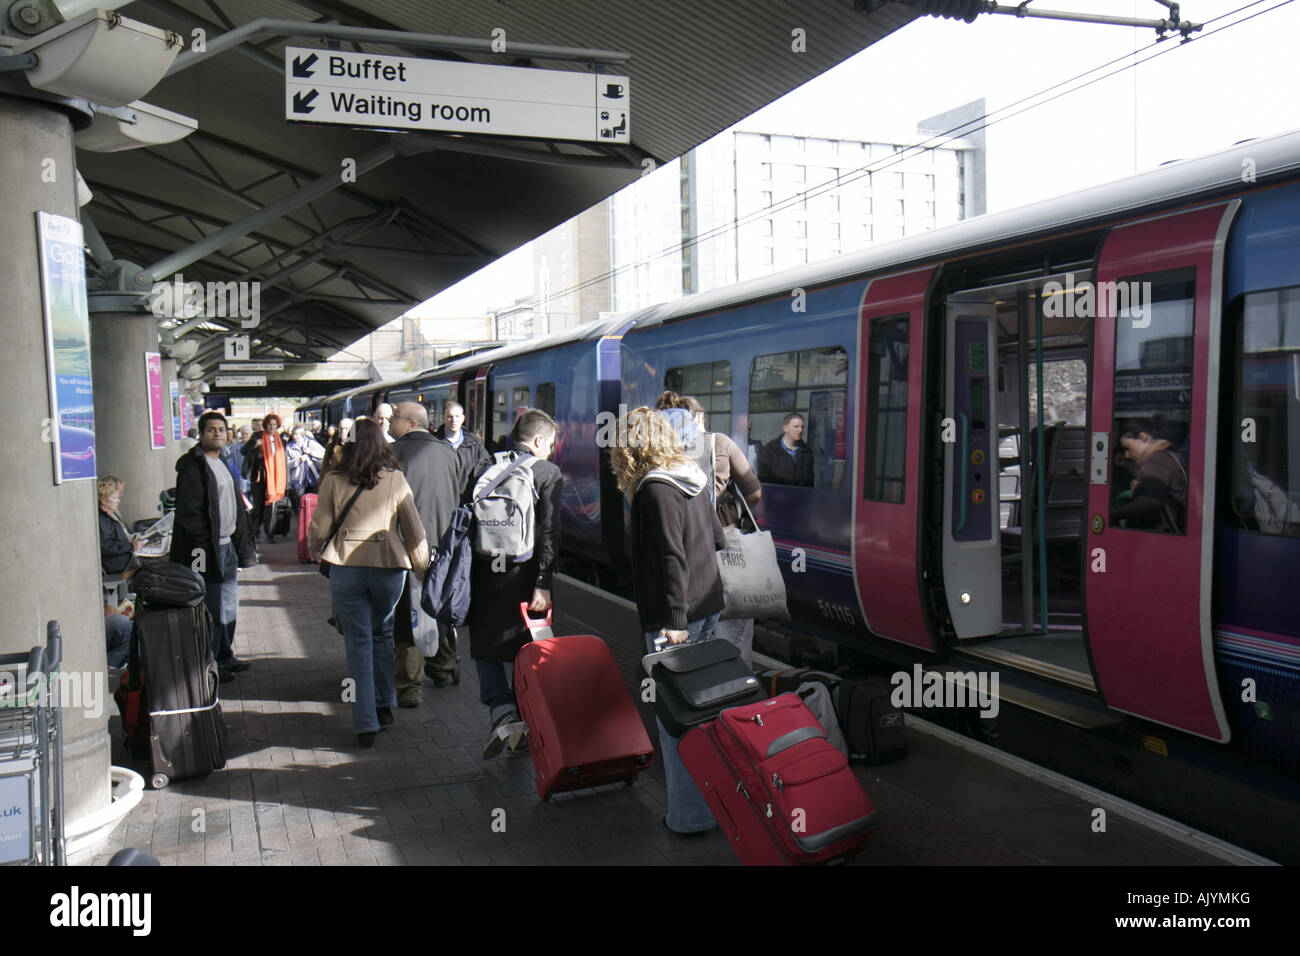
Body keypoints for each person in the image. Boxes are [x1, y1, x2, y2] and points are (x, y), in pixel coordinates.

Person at [611, 406, 725, 835]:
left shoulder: (655, 489)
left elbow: (671, 557)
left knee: (676, 721)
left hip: (676, 618)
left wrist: (674, 621)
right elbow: (716, 538)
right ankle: (717, 806)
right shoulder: (690, 477)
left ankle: (690, 817)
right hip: (708, 605)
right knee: (706, 713)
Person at [308, 418, 428, 748]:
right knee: (384, 633)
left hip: (346, 566)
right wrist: (422, 567)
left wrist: (316, 545)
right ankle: (386, 703)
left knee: (358, 643)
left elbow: (319, 529)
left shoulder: (333, 480)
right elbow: (414, 531)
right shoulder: (396, 478)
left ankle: (365, 722)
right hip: (389, 567)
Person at [467, 409, 563, 760]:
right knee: (530, 647)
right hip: (524, 576)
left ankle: (502, 711)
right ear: (538, 441)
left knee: (485, 644)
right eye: (550, 444)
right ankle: (524, 716)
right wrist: (543, 582)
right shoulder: (547, 473)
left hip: (483, 573)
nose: (551, 451)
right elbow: (551, 534)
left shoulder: (485, 467)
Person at [667, 392, 764, 669]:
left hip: (684, 547)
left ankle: (699, 691)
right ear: (699, 418)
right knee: (734, 628)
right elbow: (754, 493)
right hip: (726, 542)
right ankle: (735, 690)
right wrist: (727, 513)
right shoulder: (719, 443)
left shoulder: (666, 453)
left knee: (693, 630)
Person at [171, 411, 258, 682]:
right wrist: (200, 557)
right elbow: (190, 514)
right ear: (201, 433)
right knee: (210, 605)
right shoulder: (192, 466)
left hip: (227, 546)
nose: (217, 433)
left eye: (221, 429)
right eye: (211, 429)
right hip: (206, 549)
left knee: (229, 604)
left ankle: (225, 655)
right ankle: (210, 662)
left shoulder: (223, 461)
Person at [388, 402, 464, 706]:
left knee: (407, 617)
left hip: (406, 545)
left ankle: (409, 687)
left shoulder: (393, 454)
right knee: (437, 604)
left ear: (408, 423)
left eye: (395, 417)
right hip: (443, 545)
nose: (391, 422)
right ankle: (443, 666)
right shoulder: (448, 452)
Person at [1111, 424, 1189, 532]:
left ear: (1143, 437)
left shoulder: (1158, 459)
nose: (1126, 455)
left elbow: (1151, 500)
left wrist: (1116, 515)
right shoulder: (1170, 454)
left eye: (1128, 448)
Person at [242, 413, 288, 537]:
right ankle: (254, 531)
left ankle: (270, 532)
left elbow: (284, 461)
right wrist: (254, 445)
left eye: (274, 424)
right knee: (259, 506)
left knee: (272, 506)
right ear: (265, 425)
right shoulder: (258, 436)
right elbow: (243, 451)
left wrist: (285, 481)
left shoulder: (281, 440)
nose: (272, 427)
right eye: (269, 424)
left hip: (275, 477)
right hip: (260, 476)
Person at [435, 401, 491, 502]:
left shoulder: (474, 443)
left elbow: (484, 468)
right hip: (441, 501)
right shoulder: (434, 443)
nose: (453, 420)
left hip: (466, 501)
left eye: (457, 416)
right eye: (449, 416)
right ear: (442, 418)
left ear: (463, 418)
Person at [97, 475, 139, 576]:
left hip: (123, 558)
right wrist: (130, 546)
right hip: (118, 563)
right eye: (115, 497)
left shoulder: (108, 516)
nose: (118, 500)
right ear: (104, 500)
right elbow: (106, 546)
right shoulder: (102, 520)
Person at [757, 412, 814, 487]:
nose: (800, 430)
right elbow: (763, 478)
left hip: (801, 496)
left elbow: (810, 480)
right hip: (776, 496)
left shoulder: (806, 451)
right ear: (785, 428)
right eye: (796, 426)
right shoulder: (770, 450)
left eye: (802, 427)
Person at [286, 425, 325, 513]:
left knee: (314, 500)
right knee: (299, 503)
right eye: (294, 434)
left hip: (313, 476)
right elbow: (287, 464)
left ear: (302, 435)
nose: (295, 437)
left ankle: (311, 520)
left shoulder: (310, 443)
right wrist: (298, 460)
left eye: (298, 435)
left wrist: (311, 452)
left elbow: (324, 454)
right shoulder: (289, 447)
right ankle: (301, 521)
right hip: (298, 478)